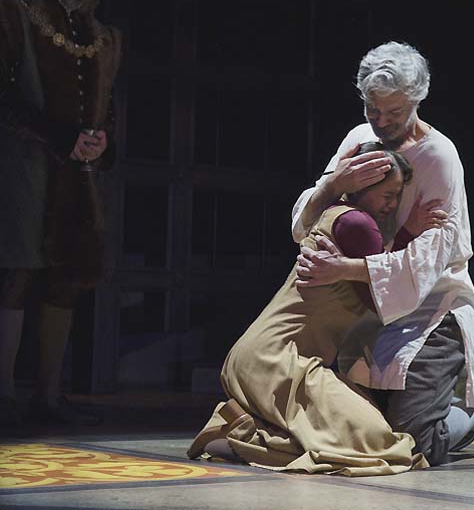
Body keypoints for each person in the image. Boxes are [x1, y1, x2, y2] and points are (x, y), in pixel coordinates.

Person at [292, 42, 474, 466]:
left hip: (430, 307)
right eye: (372, 110)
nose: (381, 123)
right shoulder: (360, 139)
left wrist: (343, 267)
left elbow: (433, 256)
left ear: (416, 100)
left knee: (416, 444)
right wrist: (330, 186)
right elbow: (306, 220)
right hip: (365, 306)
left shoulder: (439, 157)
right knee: (364, 434)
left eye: (393, 114)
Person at [187, 143, 448, 476]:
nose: (393, 205)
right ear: (361, 187)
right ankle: (239, 440)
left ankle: (240, 433)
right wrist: (410, 233)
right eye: (387, 195)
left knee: (353, 430)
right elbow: (381, 297)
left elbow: (375, 271)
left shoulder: (338, 214)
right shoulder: (357, 224)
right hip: (279, 360)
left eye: (398, 195)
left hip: (265, 356)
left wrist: (403, 232)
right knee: (381, 442)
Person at [0, 0, 121, 431]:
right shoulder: (15, 15)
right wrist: (58, 133)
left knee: (67, 275)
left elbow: (106, 104)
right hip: (25, 162)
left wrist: (102, 139)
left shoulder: (102, 34)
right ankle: (4, 395)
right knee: (18, 271)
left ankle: (48, 396)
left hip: (77, 173)